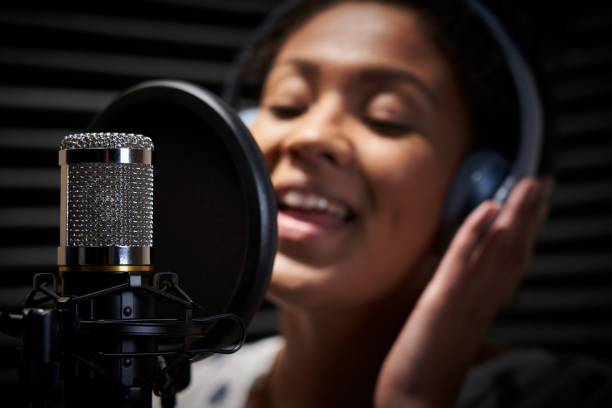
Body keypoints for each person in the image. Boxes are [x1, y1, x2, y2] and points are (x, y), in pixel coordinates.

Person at [156, 1, 612, 407]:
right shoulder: (179, 393)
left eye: (385, 118)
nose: (310, 136)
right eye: (288, 106)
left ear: (481, 190)